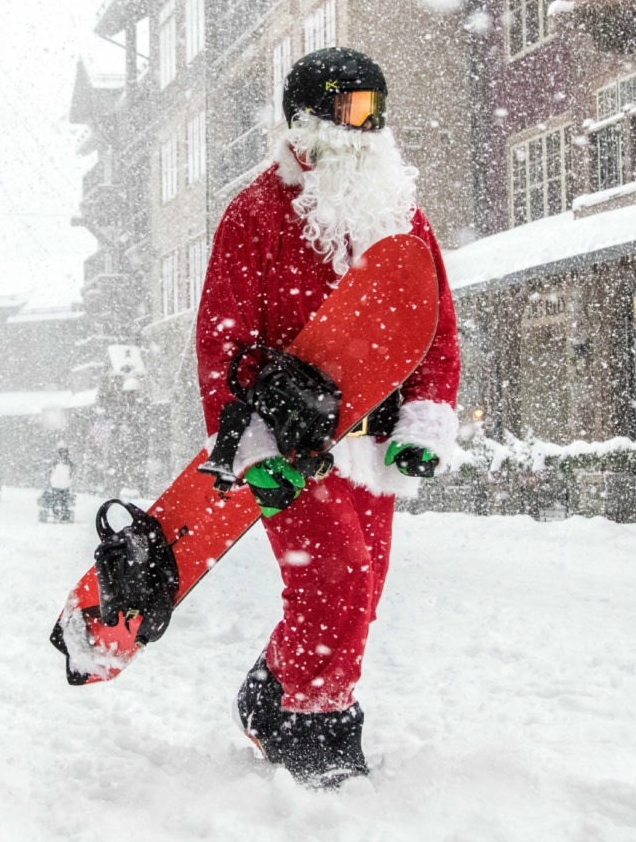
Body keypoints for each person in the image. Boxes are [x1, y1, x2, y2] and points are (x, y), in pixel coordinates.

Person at [195, 47, 460, 787]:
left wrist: (425, 418)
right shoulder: (255, 212)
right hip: (290, 441)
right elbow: (223, 338)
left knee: (362, 588)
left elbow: (434, 324)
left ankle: (271, 693)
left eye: (376, 112)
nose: (366, 129)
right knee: (333, 580)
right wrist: (247, 442)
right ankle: (316, 732)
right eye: (350, 111)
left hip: (374, 438)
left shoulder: (400, 212)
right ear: (304, 119)